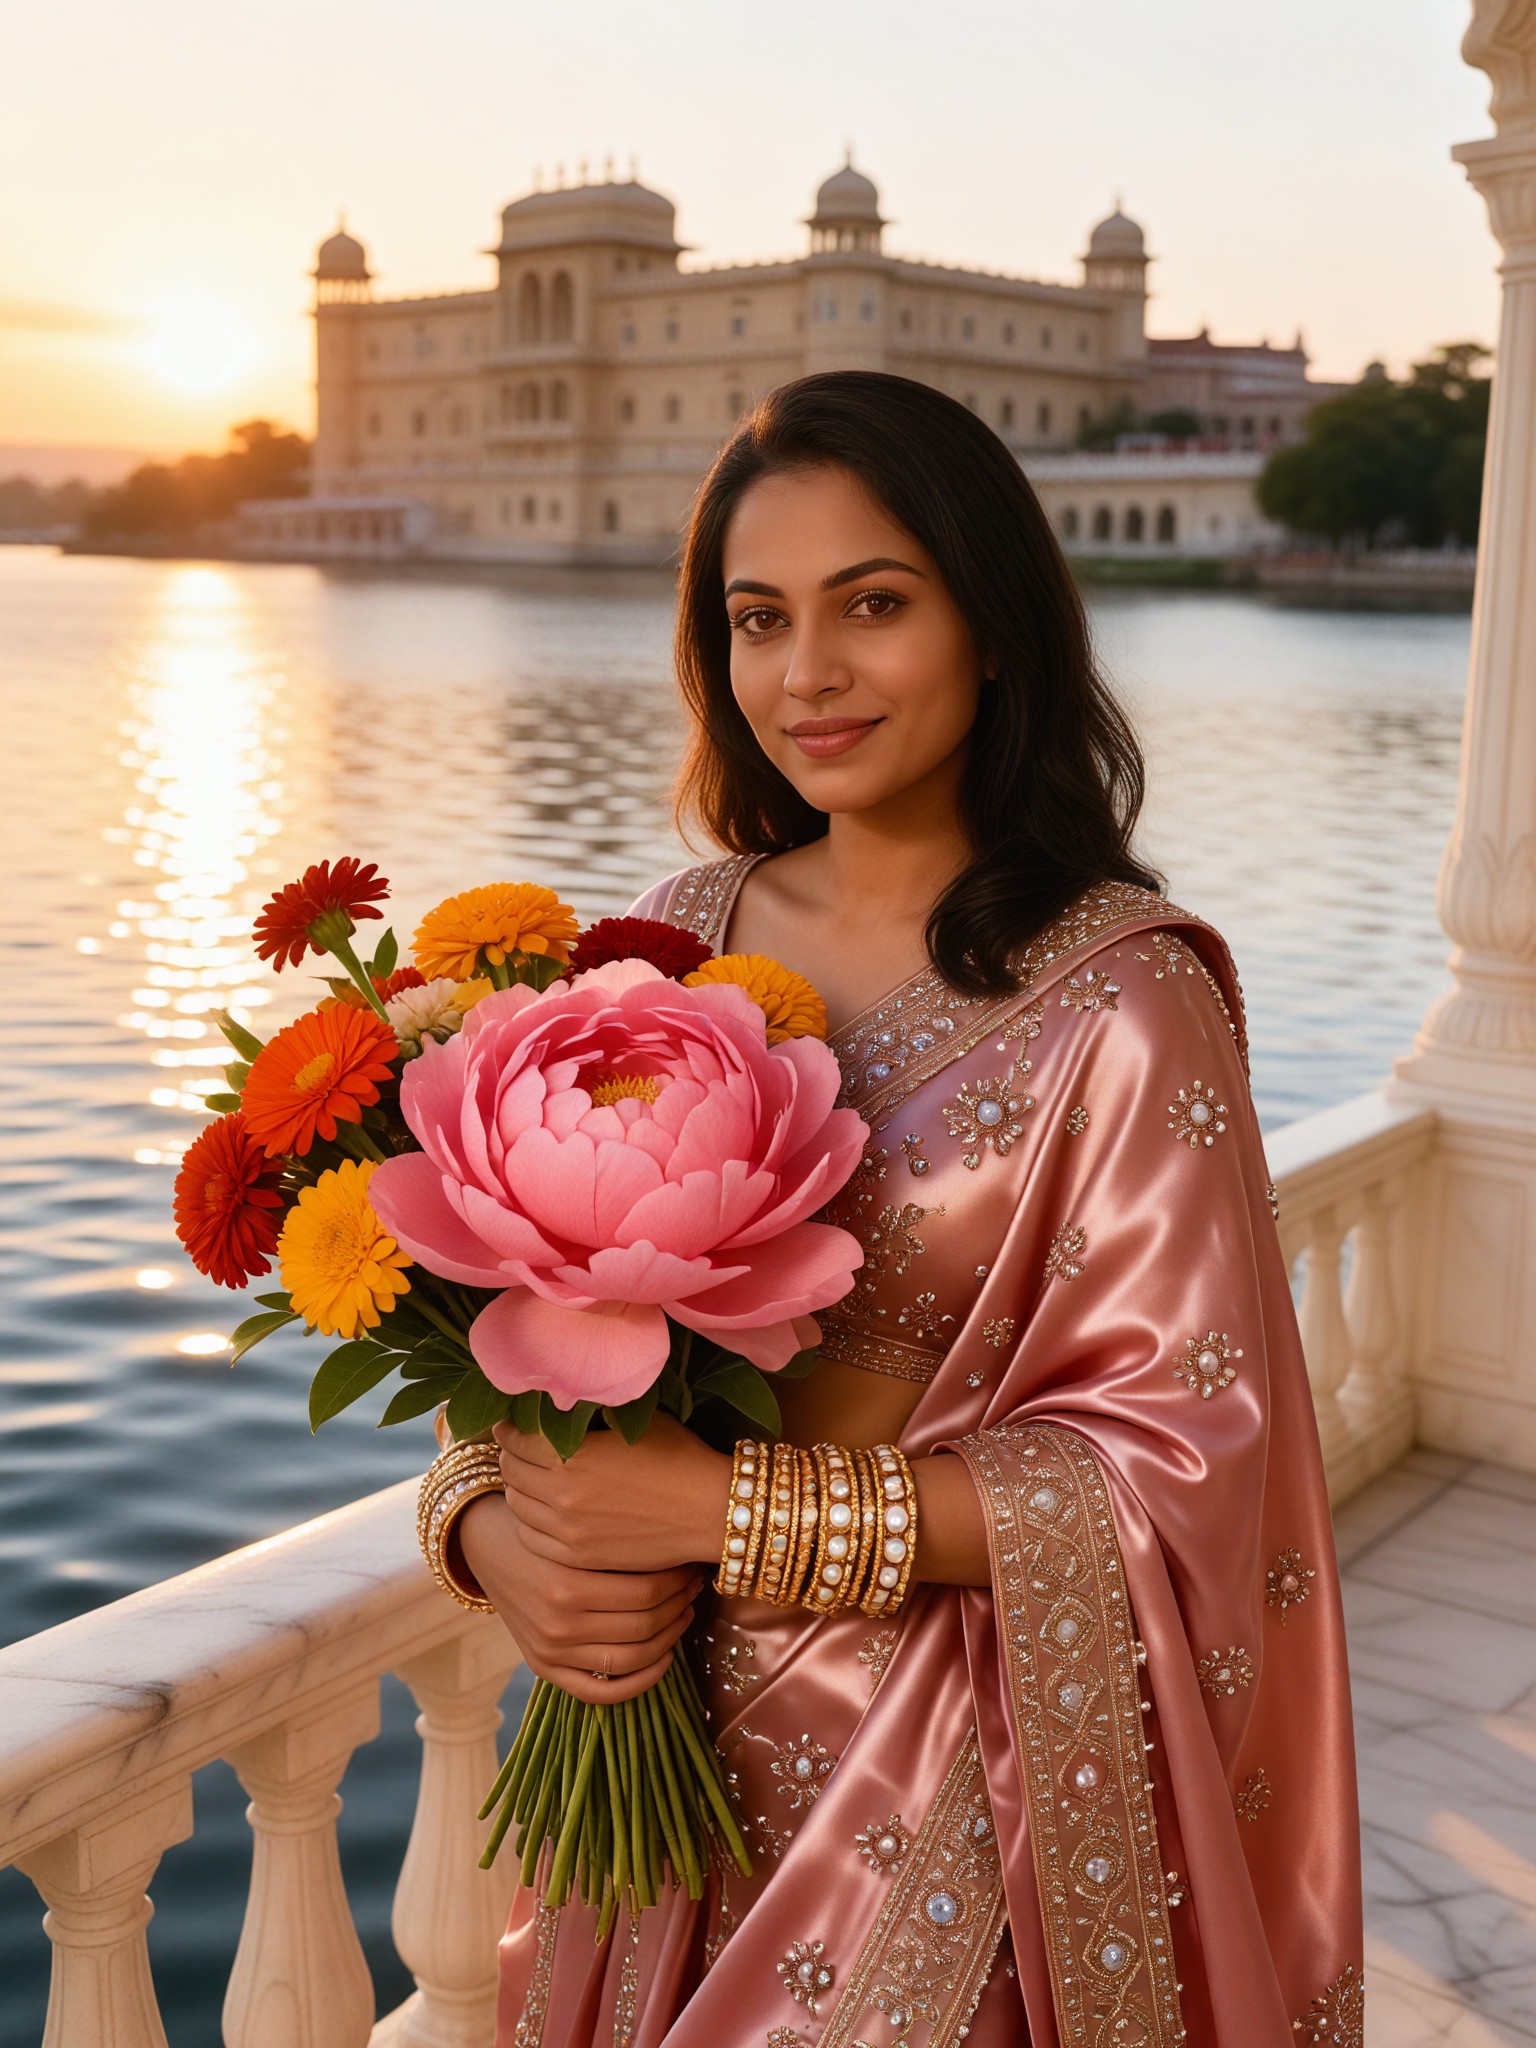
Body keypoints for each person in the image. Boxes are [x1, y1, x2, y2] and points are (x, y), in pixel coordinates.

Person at [451, 371, 1363, 2048]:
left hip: (950, 1784)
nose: (808, 675)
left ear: (996, 622)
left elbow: (1174, 1478)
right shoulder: (667, 942)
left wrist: (723, 1519)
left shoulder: (1119, 1000)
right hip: (650, 1745)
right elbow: (500, 1332)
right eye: (758, 617)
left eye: (873, 604)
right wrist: (493, 1532)